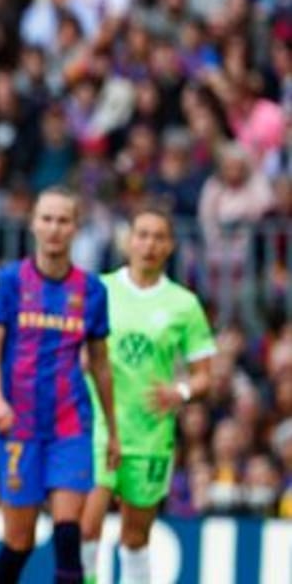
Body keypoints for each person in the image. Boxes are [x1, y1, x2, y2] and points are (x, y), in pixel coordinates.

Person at [0, 186, 120, 583]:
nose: (54, 229)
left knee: (68, 529)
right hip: (18, 424)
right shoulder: (7, 282)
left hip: (70, 425)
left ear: (76, 228)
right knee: (19, 541)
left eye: (63, 220)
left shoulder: (92, 291)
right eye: (47, 219)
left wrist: (112, 431)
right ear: (33, 224)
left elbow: (100, 365)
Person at [80, 208, 214, 584]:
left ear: (169, 246)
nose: (149, 244)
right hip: (99, 428)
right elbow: (74, 346)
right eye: (142, 235)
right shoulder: (99, 289)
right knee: (85, 528)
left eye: (158, 237)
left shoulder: (183, 305)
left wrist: (181, 390)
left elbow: (205, 375)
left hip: (150, 434)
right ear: (128, 240)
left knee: (135, 538)